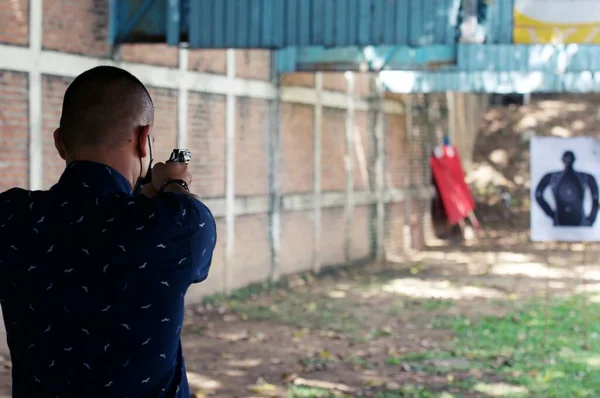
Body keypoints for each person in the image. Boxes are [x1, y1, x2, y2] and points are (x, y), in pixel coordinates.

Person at [0, 66, 217, 397]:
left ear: (59, 142)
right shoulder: (177, 225)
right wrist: (174, 183)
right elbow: (186, 224)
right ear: (144, 140)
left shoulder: (10, 216)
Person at [535, 150, 599, 227]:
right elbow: (538, 195)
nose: (568, 162)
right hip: (563, 220)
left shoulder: (585, 177)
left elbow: (595, 197)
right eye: (566, 159)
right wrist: (551, 214)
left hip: (575, 221)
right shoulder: (553, 176)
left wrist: (591, 218)